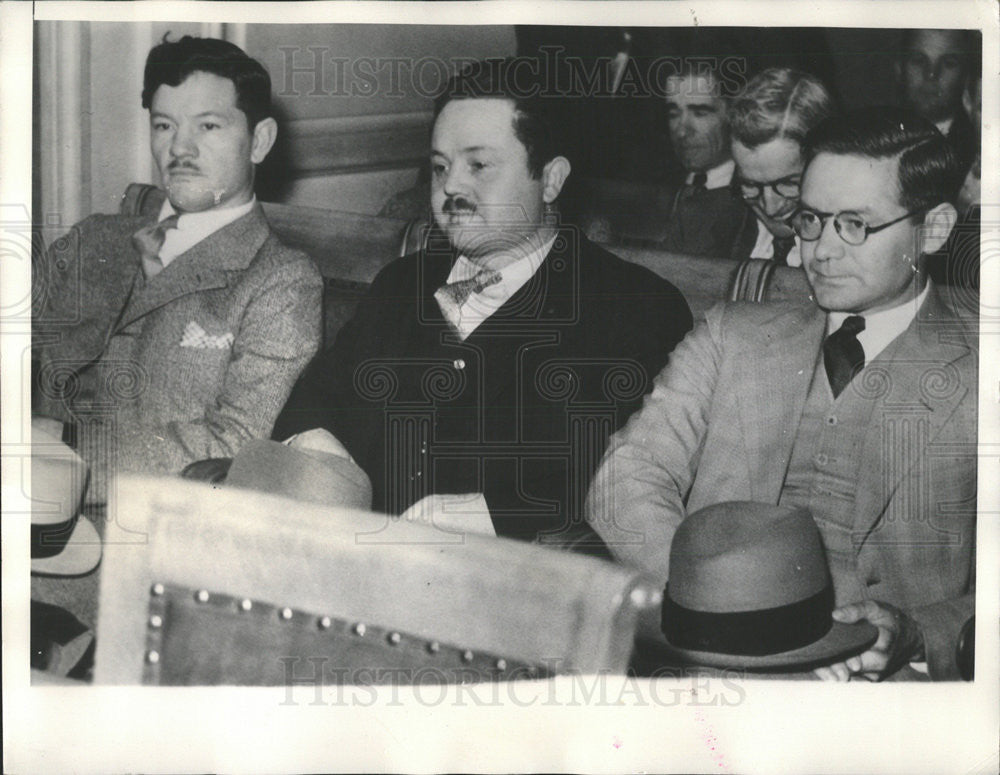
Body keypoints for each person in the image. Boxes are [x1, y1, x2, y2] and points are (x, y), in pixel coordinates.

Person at [586, 107, 976, 680]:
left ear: (934, 228)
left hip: (885, 690)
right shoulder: (733, 334)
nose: (819, 250)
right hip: (707, 663)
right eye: (812, 220)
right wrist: (715, 609)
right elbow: (624, 479)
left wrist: (919, 632)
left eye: (855, 225)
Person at [275, 60, 693, 550]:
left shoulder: (632, 306)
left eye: (478, 165)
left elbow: (607, 472)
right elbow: (311, 403)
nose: (451, 186)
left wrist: (489, 515)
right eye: (439, 167)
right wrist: (315, 447)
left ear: (551, 179)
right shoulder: (400, 285)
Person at [31, 36, 323, 500]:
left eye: (208, 126)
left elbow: (233, 446)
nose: (179, 148)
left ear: (260, 141)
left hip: (148, 529)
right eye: (164, 126)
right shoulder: (94, 238)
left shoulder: (280, 282)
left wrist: (58, 449)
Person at [728, 68, 837, 266]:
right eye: (750, 185)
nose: (770, 207)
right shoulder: (699, 223)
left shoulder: (855, 247)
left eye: (788, 183)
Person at [659, 61, 754, 258]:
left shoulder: (756, 198)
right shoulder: (656, 184)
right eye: (673, 113)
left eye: (700, 113)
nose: (682, 131)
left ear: (732, 115)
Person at [897, 28, 979, 174]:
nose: (931, 74)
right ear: (899, 69)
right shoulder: (875, 139)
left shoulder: (979, 151)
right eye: (918, 61)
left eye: (948, 64)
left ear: (966, 77)